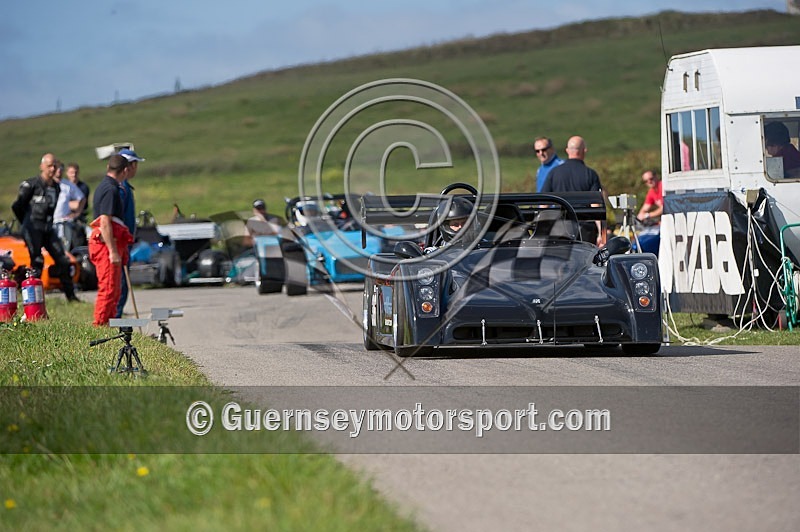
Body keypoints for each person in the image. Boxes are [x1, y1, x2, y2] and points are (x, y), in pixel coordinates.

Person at [11, 153, 79, 302]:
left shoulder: (56, 187)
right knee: (37, 261)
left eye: (55, 165)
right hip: (32, 227)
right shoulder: (31, 185)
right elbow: (17, 206)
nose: (52, 169)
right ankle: (32, 297)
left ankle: (71, 296)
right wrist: (26, 223)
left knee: (63, 259)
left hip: (48, 228)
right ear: (42, 166)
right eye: (49, 166)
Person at [89, 154, 133, 326]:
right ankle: (100, 324)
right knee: (108, 288)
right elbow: (105, 221)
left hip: (110, 244)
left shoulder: (108, 186)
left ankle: (109, 322)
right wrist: (113, 251)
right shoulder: (110, 189)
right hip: (105, 246)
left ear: (108, 167)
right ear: (125, 171)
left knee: (115, 288)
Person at [541, 136, 607, 246]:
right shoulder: (590, 174)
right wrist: (602, 233)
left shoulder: (554, 173)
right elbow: (596, 205)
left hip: (559, 228)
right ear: (584, 151)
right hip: (584, 230)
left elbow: (544, 204)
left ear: (567, 151)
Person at [115, 148, 145, 319]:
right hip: (121, 242)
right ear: (129, 165)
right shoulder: (121, 188)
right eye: (135, 164)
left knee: (123, 283)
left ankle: (117, 315)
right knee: (121, 284)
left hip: (126, 241)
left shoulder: (125, 187)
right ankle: (115, 317)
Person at [53, 160, 86, 250]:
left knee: (64, 248)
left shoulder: (67, 185)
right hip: (51, 221)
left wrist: (77, 213)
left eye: (61, 169)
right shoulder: (48, 183)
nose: (59, 171)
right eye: (57, 168)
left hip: (64, 221)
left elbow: (82, 198)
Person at [635, 169, 663, 255]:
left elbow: (664, 208)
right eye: (646, 181)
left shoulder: (662, 186)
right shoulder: (651, 192)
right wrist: (639, 217)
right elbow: (645, 207)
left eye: (651, 179)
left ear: (656, 177)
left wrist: (647, 215)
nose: (649, 182)